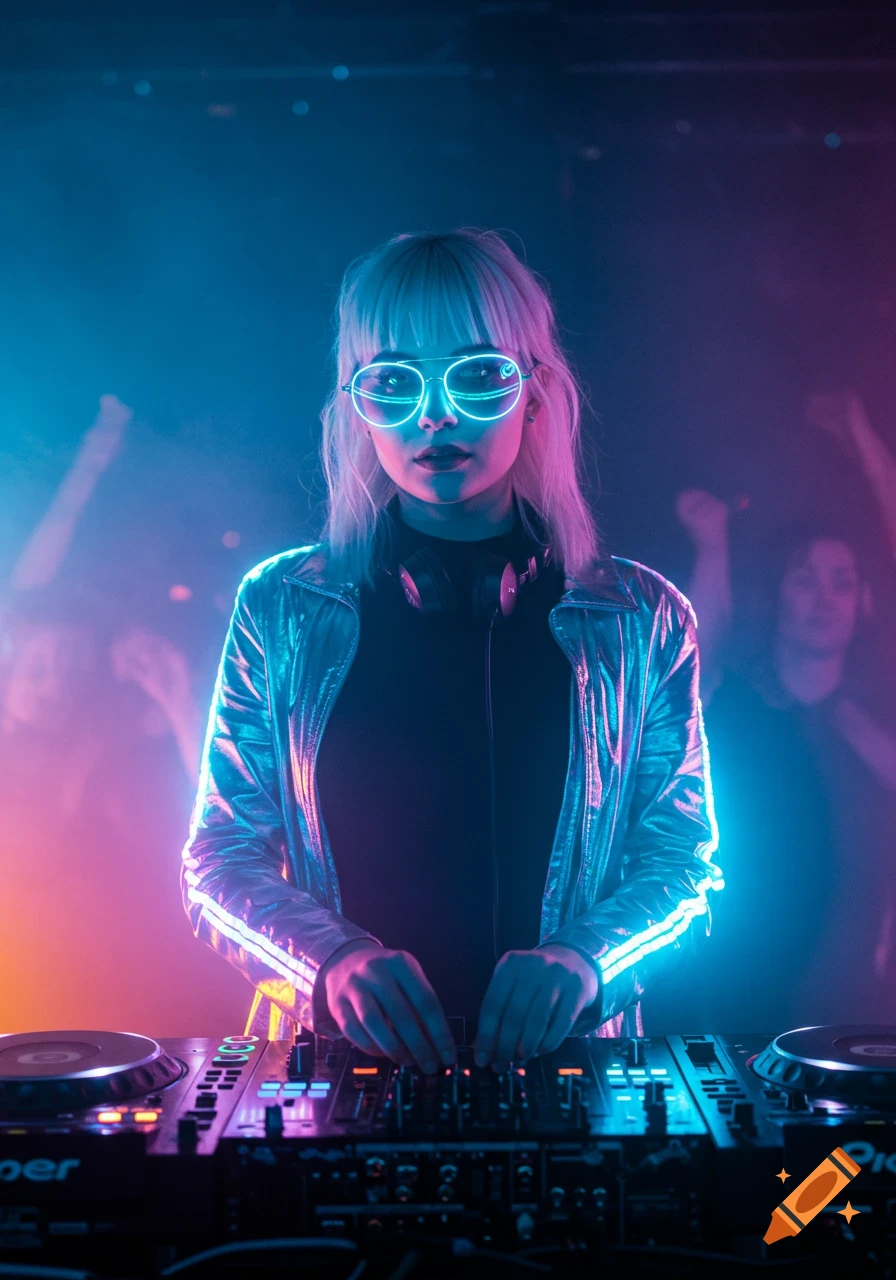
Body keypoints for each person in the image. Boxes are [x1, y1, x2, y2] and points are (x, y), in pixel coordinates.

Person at [181, 229, 721, 1073]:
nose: (435, 414)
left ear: (533, 393)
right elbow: (220, 858)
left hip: (567, 1083)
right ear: (356, 403)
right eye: (395, 382)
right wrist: (331, 962)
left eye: (475, 374)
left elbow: (684, 867)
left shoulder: (641, 618)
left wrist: (586, 963)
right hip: (338, 1082)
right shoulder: (282, 608)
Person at [660, 391, 896, 1034]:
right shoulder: (744, 710)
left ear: (865, 603)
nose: (823, 596)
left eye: (842, 581)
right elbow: (695, 664)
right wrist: (711, 544)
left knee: (850, 1143)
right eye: (805, 577)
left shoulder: (873, 714)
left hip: (863, 1010)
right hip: (742, 1004)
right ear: (778, 594)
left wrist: (864, 444)